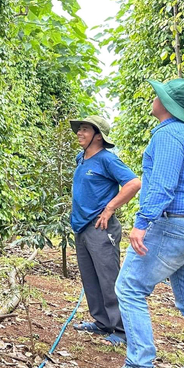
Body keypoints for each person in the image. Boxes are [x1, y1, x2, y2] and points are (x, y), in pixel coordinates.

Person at [99, 78, 184, 368]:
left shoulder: (167, 136)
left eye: (158, 96)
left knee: (129, 286)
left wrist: (142, 222)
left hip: (172, 224)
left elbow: (163, 185)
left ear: (167, 104)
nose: (154, 98)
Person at [68, 115, 141, 346]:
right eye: (79, 129)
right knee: (90, 278)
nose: (79, 133)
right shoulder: (81, 158)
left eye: (85, 130)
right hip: (82, 227)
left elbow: (133, 183)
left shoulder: (107, 160)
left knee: (108, 278)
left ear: (98, 136)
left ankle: (120, 330)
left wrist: (109, 208)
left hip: (101, 228)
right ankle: (101, 323)